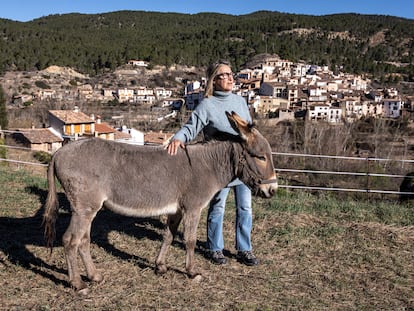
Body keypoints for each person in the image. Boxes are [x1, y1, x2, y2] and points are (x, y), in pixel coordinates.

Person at [165, 60, 259, 266]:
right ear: (213, 81)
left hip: (242, 165)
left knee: (245, 208)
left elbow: (249, 132)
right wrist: (178, 138)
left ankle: (245, 249)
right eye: (223, 75)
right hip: (218, 168)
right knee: (218, 207)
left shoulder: (240, 102)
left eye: (230, 74)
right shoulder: (207, 105)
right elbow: (191, 127)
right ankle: (215, 248)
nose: (229, 78)